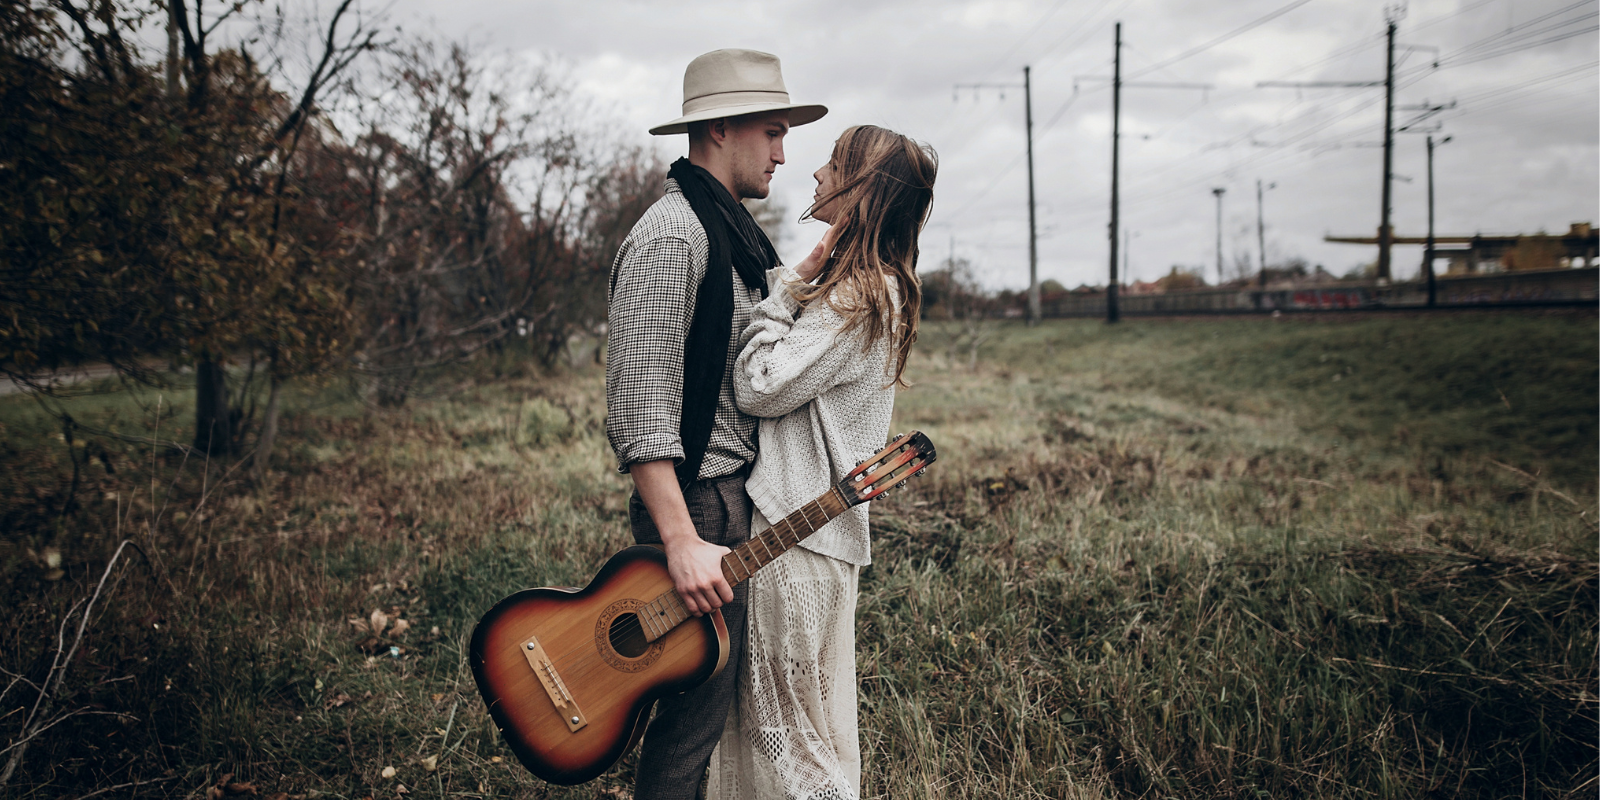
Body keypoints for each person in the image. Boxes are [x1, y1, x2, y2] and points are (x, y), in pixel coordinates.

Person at [604, 49, 826, 800]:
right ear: (723, 128)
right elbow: (640, 406)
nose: (783, 152)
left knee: (720, 714)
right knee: (692, 719)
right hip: (696, 507)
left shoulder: (730, 237)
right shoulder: (674, 236)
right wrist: (679, 539)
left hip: (732, 503)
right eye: (771, 131)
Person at [708, 125, 938, 800]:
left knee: (786, 736)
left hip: (793, 540)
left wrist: (784, 294)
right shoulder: (880, 288)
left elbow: (760, 386)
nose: (811, 173)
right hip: (816, 536)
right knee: (798, 724)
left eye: (832, 165)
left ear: (861, 190)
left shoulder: (856, 295)